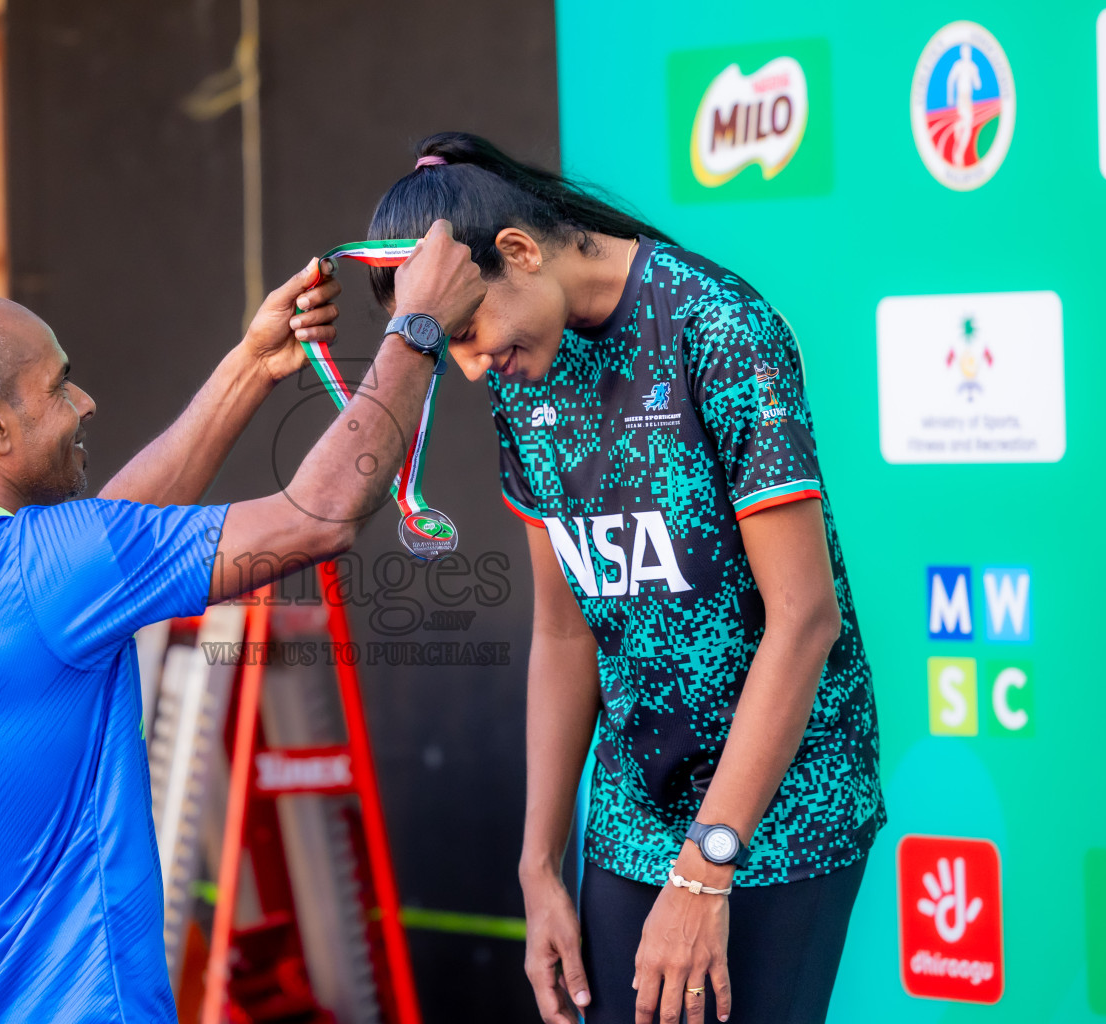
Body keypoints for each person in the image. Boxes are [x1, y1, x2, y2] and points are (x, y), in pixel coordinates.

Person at [0, 219, 484, 1021]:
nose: (85, 402)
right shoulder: (50, 568)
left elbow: (103, 540)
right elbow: (317, 518)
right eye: (58, 387)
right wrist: (416, 331)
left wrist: (250, 367)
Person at [368, 133, 886, 1024]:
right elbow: (566, 630)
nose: (468, 363)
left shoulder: (717, 326)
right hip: (632, 817)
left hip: (780, 814)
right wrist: (540, 867)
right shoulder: (519, 373)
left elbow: (804, 619)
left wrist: (705, 870)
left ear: (520, 253)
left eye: (465, 331)